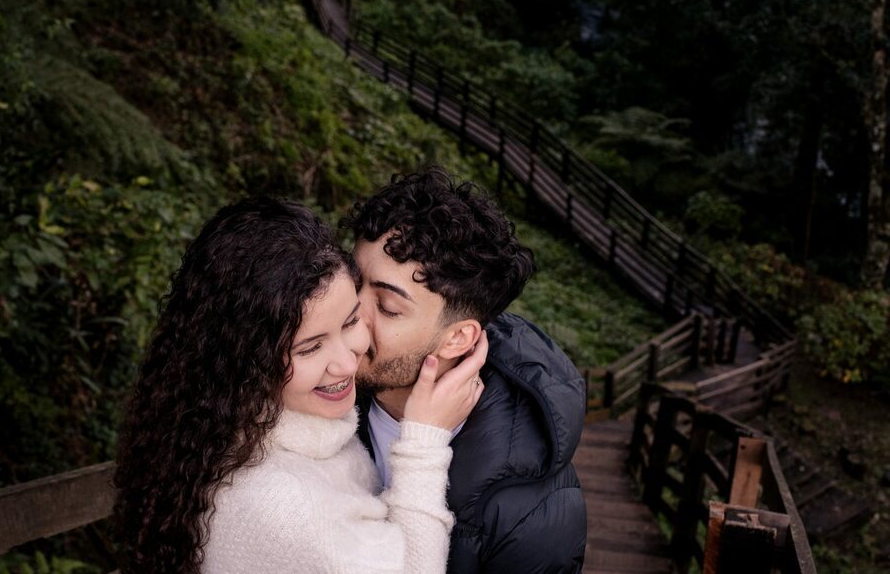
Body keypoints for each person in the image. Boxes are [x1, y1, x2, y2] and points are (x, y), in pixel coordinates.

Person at [112, 197, 487, 574]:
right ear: (248, 356)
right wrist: (424, 441)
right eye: (310, 348)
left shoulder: (224, 420)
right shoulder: (281, 503)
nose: (347, 362)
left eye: (350, 321)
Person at [343, 169, 588, 574]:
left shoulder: (529, 517)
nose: (350, 315)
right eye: (353, 282)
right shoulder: (310, 384)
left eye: (386, 307)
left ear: (457, 339)